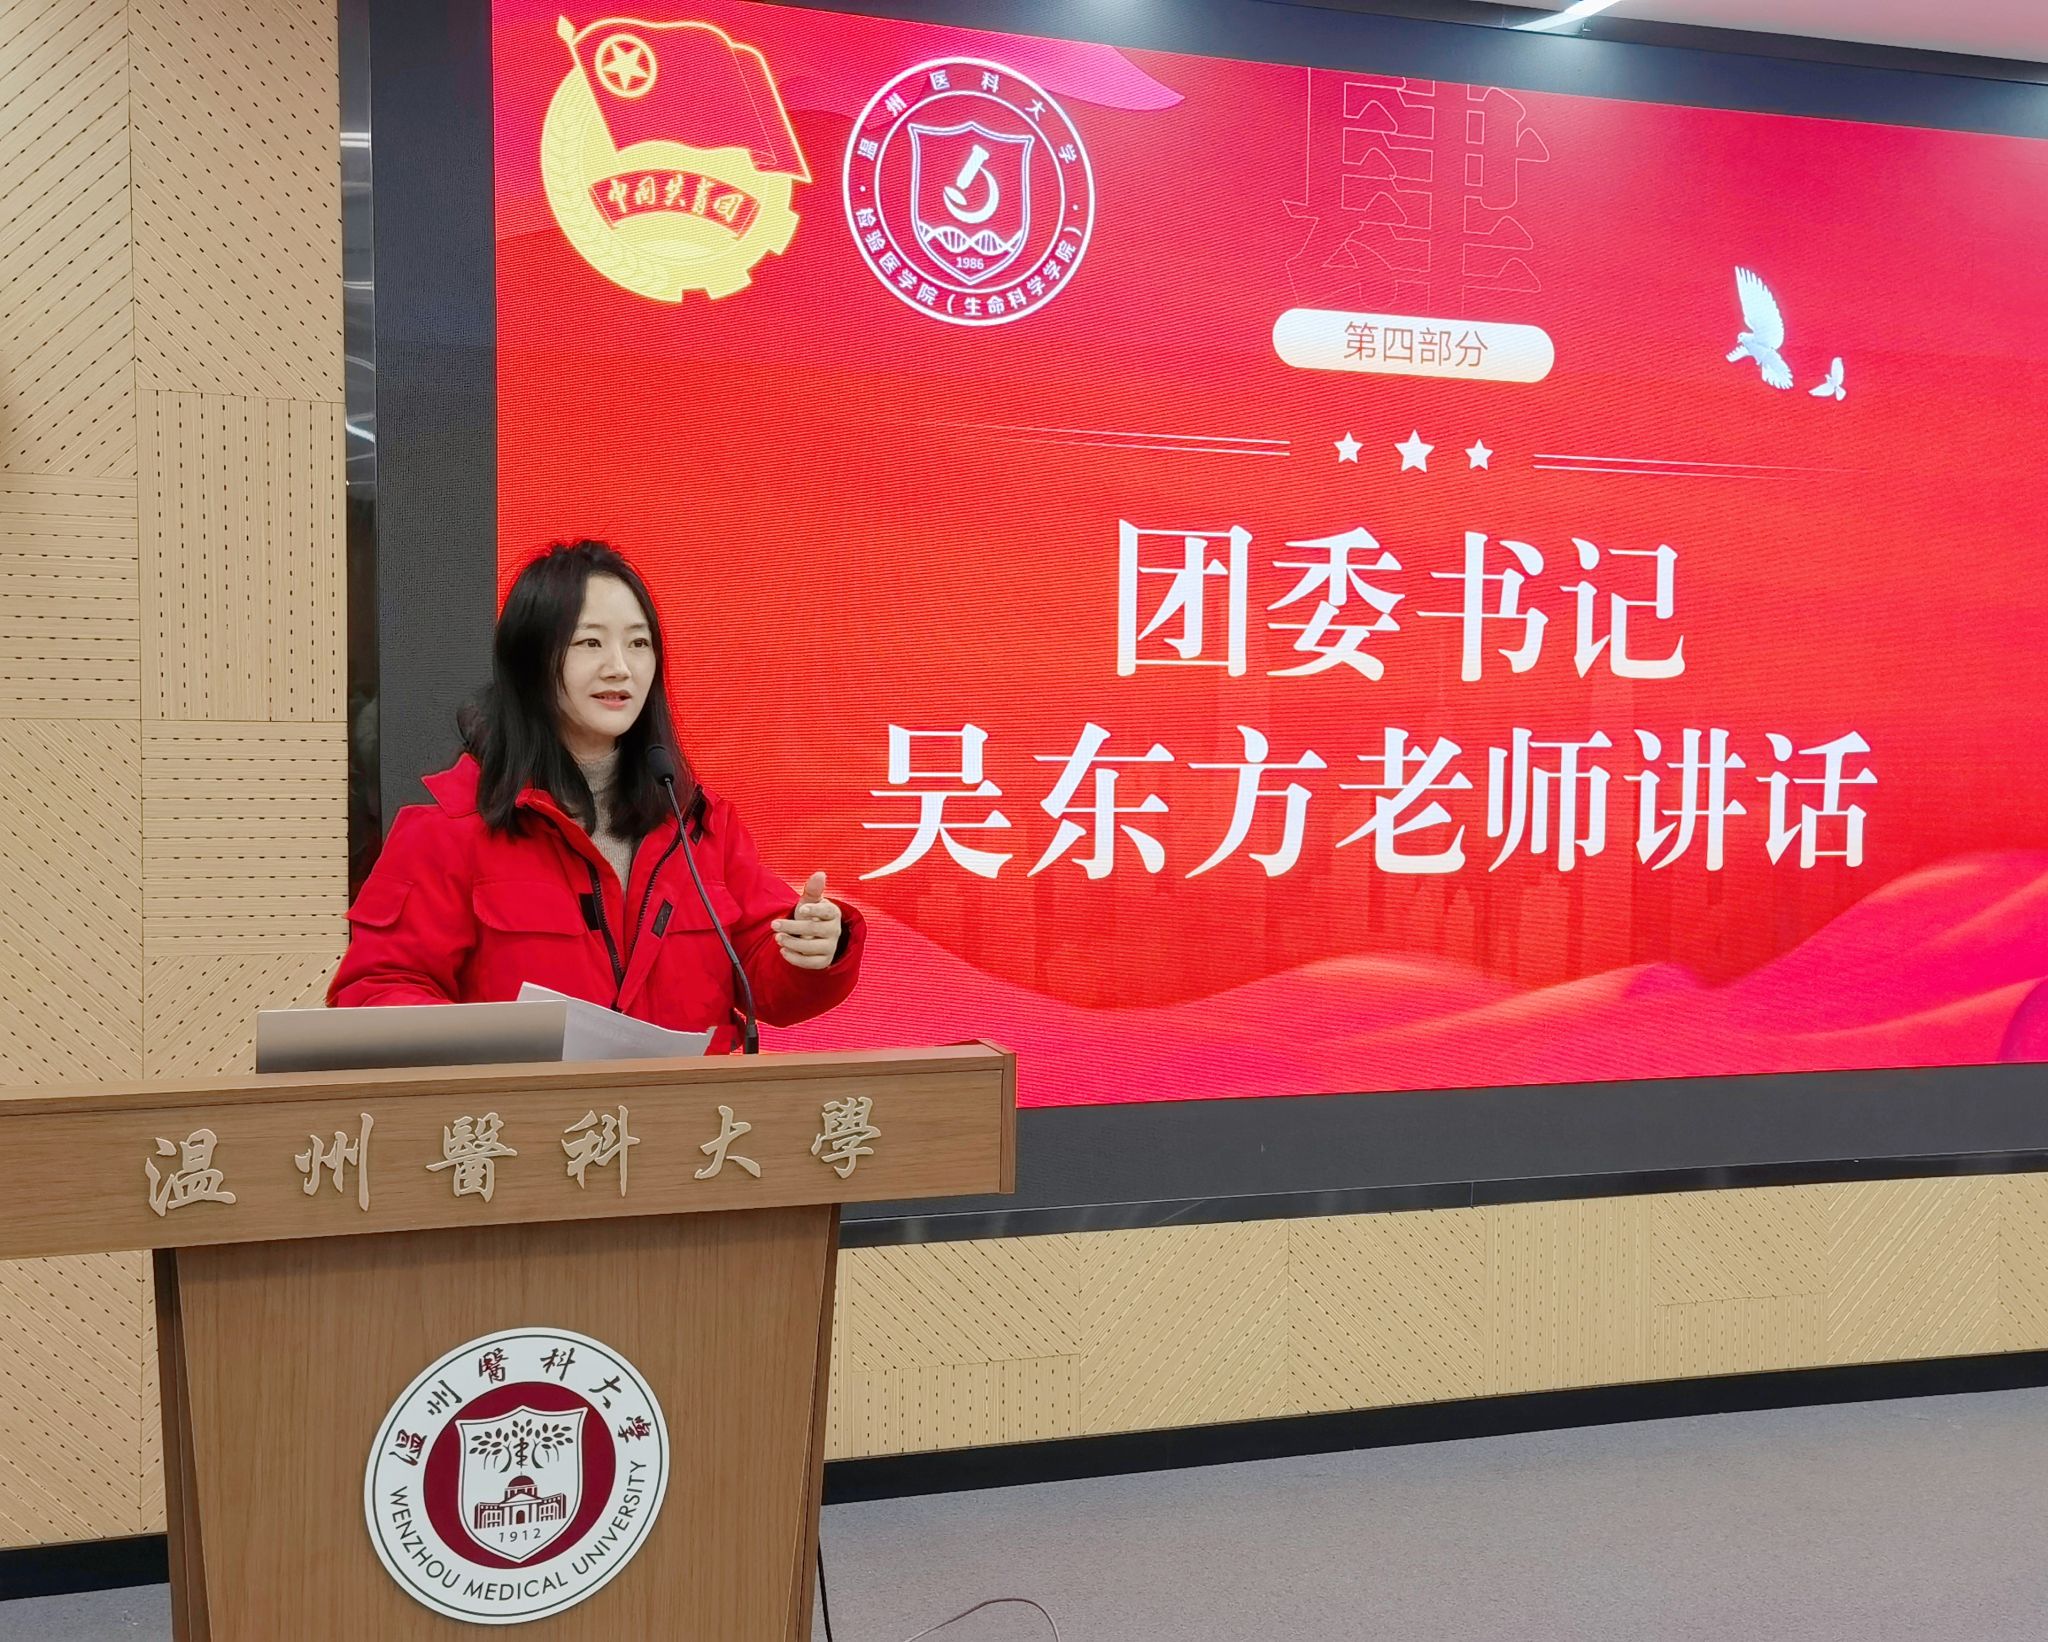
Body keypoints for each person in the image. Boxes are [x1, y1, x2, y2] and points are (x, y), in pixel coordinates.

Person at [328, 539, 863, 1049]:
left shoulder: (700, 825)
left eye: (638, 643)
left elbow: (765, 978)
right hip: (529, 1111)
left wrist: (810, 949)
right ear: (531, 658)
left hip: (689, 1112)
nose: (620, 667)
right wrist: (489, 1052)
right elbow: (375, 991)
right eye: (590, 642)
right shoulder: (449, 828)